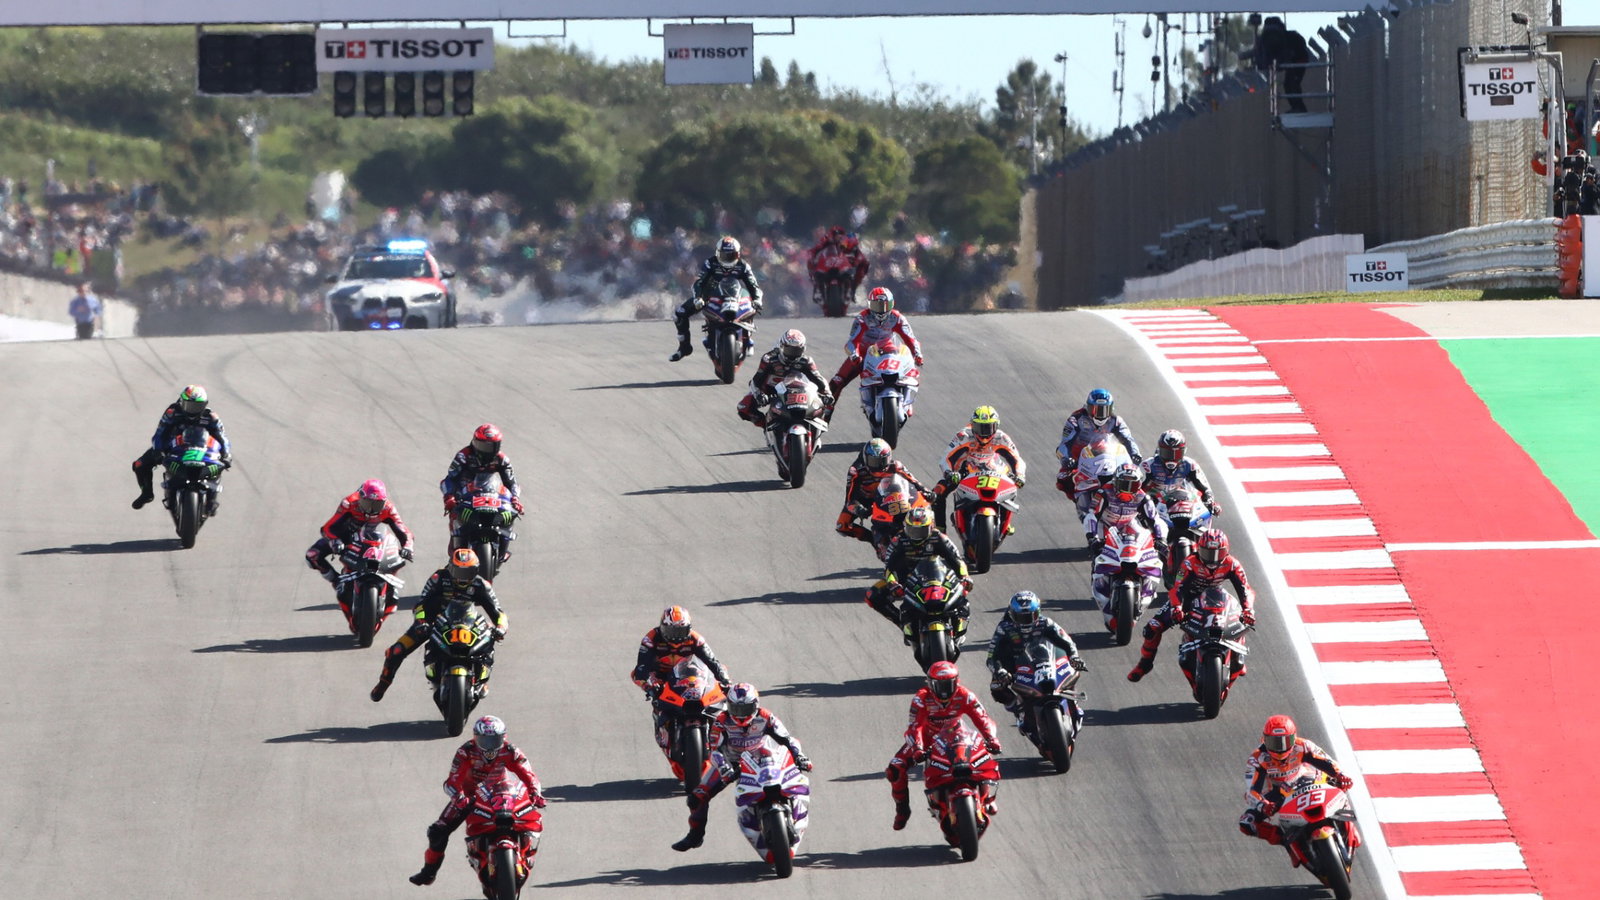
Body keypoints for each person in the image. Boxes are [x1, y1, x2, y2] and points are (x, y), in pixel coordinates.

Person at [407, 715, 547, 886]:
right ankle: (428, 873)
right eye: (485, 740)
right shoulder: (465, 752)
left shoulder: (511, 750)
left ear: (504, 737)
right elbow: (452, 782)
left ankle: (526, 852)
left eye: (494, 740)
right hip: (471, 796)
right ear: (475, 738)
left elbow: (529, 775)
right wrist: (459, 798)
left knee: (528, 817)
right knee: (437, 832)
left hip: (503, 793)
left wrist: (535, 793)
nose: (490, 746)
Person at [672, 683, 811, 851]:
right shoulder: (721, 721)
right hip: (731, 762)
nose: (740, 714)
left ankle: (794, 814)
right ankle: (695, 836)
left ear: (755, 705)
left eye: (745, 708)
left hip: (761, 757)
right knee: (697, 797)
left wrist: (799, 756)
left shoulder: (766, 717)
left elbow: (787, 739)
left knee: (789, 779)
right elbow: (714, 750)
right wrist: (724, 768)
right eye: (735, 709)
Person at [369, 548, 507, 701]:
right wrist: (421, 622)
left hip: (468, 624)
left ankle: (482, 682)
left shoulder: (482, 585)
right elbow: (421, 605)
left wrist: (501, 628)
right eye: (459, 572)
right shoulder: (438, 578)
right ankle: (382, 685)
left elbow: (498, 613)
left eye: (468, 572)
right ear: (451, 567)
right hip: (435, 622)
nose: (462, 578)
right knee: (395, 651)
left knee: (489, 641)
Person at [1128, 527, 1256, 682]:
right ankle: (1145, 663)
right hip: (1188, 600)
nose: (1211, 559)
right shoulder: (1189, 563)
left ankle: (1237, 659)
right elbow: (1177, 589)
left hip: (1218, 598)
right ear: (1198, 549)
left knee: (1241, 622)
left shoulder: (1232, 564)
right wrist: (1177, 607)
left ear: (1226, 552)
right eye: (1207, 552)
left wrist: (1248, 609)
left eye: (1217, 553)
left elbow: (1245, 588)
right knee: (1152, 628)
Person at [885, 661, 1001, 830]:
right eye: (939, 685)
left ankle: (988, 799)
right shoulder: (921, 698)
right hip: (927, 740)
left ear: (957, 682)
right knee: (894, 769)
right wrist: (918, 748)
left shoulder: (965, 695)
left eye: (949, 684)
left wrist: (992, 739)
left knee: (982, 757)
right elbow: (914, 727)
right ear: (930, 683)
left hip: (957, 736)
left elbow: (982, 718)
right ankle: (902, 810)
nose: (944, 690)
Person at [304, 479, 416, 630]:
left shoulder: (388, 508)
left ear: (383, 502)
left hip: (374, 539)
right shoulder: (349, 503)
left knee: (395, 556)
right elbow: (328, 528)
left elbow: (404, 532)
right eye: (367, 503)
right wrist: (334, 541)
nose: (371, 509)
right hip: (346, 537)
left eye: (376, 505)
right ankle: (337, 582)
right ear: (360, 498)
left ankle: (390, 585)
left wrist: (408, 547)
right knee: (312, 555)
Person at [1239, 715, 1355, 852]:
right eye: (1274, 742)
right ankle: (1287, 841)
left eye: (1285, 741)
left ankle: (1344, 821)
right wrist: (1263, 805)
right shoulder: (1257, 758)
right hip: (1278, 793)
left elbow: (1327, 761)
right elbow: (1251, 790)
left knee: (1340, 783)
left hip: (1307, 778)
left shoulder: (1303, 746)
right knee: (1247, 822)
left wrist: (1340, 775)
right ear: (1264, 740)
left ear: (1294, 738)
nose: (1280, 748)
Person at [632, 606, 734, 762]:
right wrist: (651, 685)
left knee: (719, 688)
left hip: (687, 673)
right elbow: (642, 668)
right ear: (663, 627)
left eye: (680, 632)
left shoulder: (695, 638)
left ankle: (717, 733)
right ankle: (663, 725)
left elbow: (713, 662)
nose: (676, 637)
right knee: (639, 677)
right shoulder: (650, 639)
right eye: (672, 632)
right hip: (661, 675)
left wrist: (726, 680)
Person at [130, 384, 232, 513]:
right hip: (174, 447)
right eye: (189, 405)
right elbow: (160, 433)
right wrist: (158, 450)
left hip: (202, 449)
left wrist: (226, 454)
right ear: (181, 401)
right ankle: (146, 494)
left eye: (197, 406)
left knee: (219, 465)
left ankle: (211, 500)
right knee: (139, 465)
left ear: (205, 405)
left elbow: (223, 437)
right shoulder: (172, 412)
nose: (192, 410)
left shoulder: (211, 417)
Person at [986, 591, 1087, 721]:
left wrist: (1074, 657)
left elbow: (1068, 642)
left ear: (1038, 612)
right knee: (996, 687)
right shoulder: (1004, 628)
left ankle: (1073, 703)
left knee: (1072, 669)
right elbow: (991, 656)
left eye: (1030, 616)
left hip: (1046, 660)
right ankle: (1018, 709)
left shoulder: (1046, 623)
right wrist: (1000, 671)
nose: (1026, 622)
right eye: (1021, 617)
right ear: (1012, 615)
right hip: (1016, 666)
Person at [864, 507, 971, 626]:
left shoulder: (939, 538)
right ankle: (903, 623)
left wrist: (964, 576)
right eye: (912, 530)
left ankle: (958, 623)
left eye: (921, 531)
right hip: (906, 579)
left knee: (961, 594)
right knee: (872, 595)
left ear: (931, 527)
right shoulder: (899, 540)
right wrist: (892, 583)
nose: (916, 535)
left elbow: (957, 560)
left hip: (936, 577)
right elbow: (889, 568)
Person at [668, 236, 764, 362]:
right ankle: (684, 348)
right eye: (724, 255)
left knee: (752, 307)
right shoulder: (710, 263)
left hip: (736, 296)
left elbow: (753, 285)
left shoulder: (743, 266)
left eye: (731, 255)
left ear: (738, 254)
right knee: (680, 314)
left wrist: (757, 299)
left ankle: (748, 339)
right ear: (718, 253)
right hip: (712, 295)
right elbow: (699, 282)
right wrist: (698, 298)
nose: (728, 259)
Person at [933, 405, 1027, 530]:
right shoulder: (963, 436)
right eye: (979, 427)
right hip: (964, 470)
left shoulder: (1001, 438)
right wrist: (949, 473)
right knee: (938, 492)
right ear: (972, 425)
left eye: (989, 427)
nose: (984, 433)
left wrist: (1020, 475)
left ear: (996, 426)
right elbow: (946, 458)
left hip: (993, 468)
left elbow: (1017, 459)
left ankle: (1005, 521)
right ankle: (940, 530)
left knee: (1011, 486)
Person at [439, 423, 524, 561]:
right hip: (466, 493)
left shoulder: (502, 459)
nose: (488, 450)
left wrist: (515, 499)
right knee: (456, 515)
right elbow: (449, 479)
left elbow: (512, 482)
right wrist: (449, 497)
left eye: (492, 446)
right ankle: (456, 546)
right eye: (484, 446)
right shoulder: (463, 456)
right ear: (475, 442)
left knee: (510, 513)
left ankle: (503, 545)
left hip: (491, 492)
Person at [825, 287, 924, 403]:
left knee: (909, 373)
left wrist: (917, 354)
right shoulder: (862, 318)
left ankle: (906, 402)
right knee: (837, 381)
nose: (882, 311)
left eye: (886, 306)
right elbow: (851, 342)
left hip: (888, 352)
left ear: (892, 304)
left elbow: (911, 339)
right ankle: (826, 412)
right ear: (869, 305)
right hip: (864, 352)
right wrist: (854, 355)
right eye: (877, 306)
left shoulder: (897, 318)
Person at [836, 438, 933, 544]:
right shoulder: (856, 471)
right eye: (874, 462)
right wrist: (859, 509)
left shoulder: (895, 466)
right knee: (842, 526)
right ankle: (873, 539)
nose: (878, 466)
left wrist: (927, 492)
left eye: (882, 461)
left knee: (927, 502)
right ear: (865, 458)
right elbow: (850, 500)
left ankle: (926, 531)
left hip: (890, 496)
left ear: (889, 457)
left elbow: (915, 482)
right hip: (865, 500)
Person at [734, 328, 834, 431]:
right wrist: (759, 394)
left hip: (798, 390)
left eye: (797, 351)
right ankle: (767, 426)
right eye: (789, 350)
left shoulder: (807, 361)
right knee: (743, 407)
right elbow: (756, 380)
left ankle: (815, 428)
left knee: (826, 404)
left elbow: (819, 378)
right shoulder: (769, 359)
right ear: (781, 347)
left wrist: (827, 393)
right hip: (771, 389)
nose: (792, 355)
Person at [1055, 388, 1141, 496]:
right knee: (1062, 481)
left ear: (1111, 409)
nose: (1101, 415)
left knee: (1132, 477)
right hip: (1080, 457)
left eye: (1105, 410)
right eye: (1096, 410)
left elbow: (1128, 439)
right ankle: (1080, 499)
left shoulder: (1116, 420)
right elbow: (1065, 443)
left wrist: (1135, 454)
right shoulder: (1076, 419)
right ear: (1088, 407)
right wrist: (1066, 459)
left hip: (1106, 453)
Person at [1141, 429, 1221, 516]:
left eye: (1177, 453)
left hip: (1178, 501)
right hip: (1153, 504)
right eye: (1167, 453)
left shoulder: (1189, 465)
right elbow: (1137, 488)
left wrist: (1210, 501)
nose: (1172, 458)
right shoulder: (1148, 465)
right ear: (1160, 450)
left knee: (1205, 511)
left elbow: (1204, 488)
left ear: (1183, 452)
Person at [1252, 16, 1312, 113]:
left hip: (1297, 59)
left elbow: (1294, 51)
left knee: (1291, 84)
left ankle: (1299, 108)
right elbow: (1265, 58)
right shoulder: (1269, 40)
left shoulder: (1290, 38)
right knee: (1289, 84)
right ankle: (1298, 107)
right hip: (1292, 60)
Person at [808, 227, 870, 303]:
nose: (838, 237)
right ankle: (817, 290)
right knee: (817, 273)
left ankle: (852, 290)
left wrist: (856, 262)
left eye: (840, 234)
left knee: (860, 268)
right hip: (828, 266)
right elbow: (814, 251)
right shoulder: (826, 241)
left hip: (844, 266)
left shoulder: (849, 242)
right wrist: (812, 259)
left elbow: (861, 257)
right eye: (836, 234)